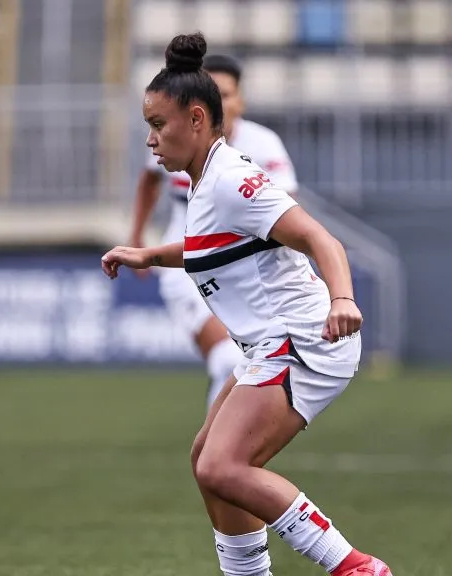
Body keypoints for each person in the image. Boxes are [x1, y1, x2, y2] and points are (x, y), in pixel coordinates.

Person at [101, 32, 391, 576]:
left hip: (304, 341)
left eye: (157, 125)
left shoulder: (233, 179)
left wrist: (343, 298)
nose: (150, 140)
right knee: (205, 459)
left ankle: (355, 568)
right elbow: (209, 249)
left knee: (223, 465)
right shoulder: (206, 180)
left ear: (194, 119)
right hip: (271, 344)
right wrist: (148, 255)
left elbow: (320, 239)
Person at [127, 54, 298, 408]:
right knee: (227, 359)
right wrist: (137, 236)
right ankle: (221, 455)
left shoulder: (263, 146)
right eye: (213, 93)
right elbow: (149, 180)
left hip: (244, 276)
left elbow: (289, 215)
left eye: (227, 93)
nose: (220, 101)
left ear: (241, 100)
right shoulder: (173, 136)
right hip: (186, 268)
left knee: (246, 365)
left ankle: (221, 455)